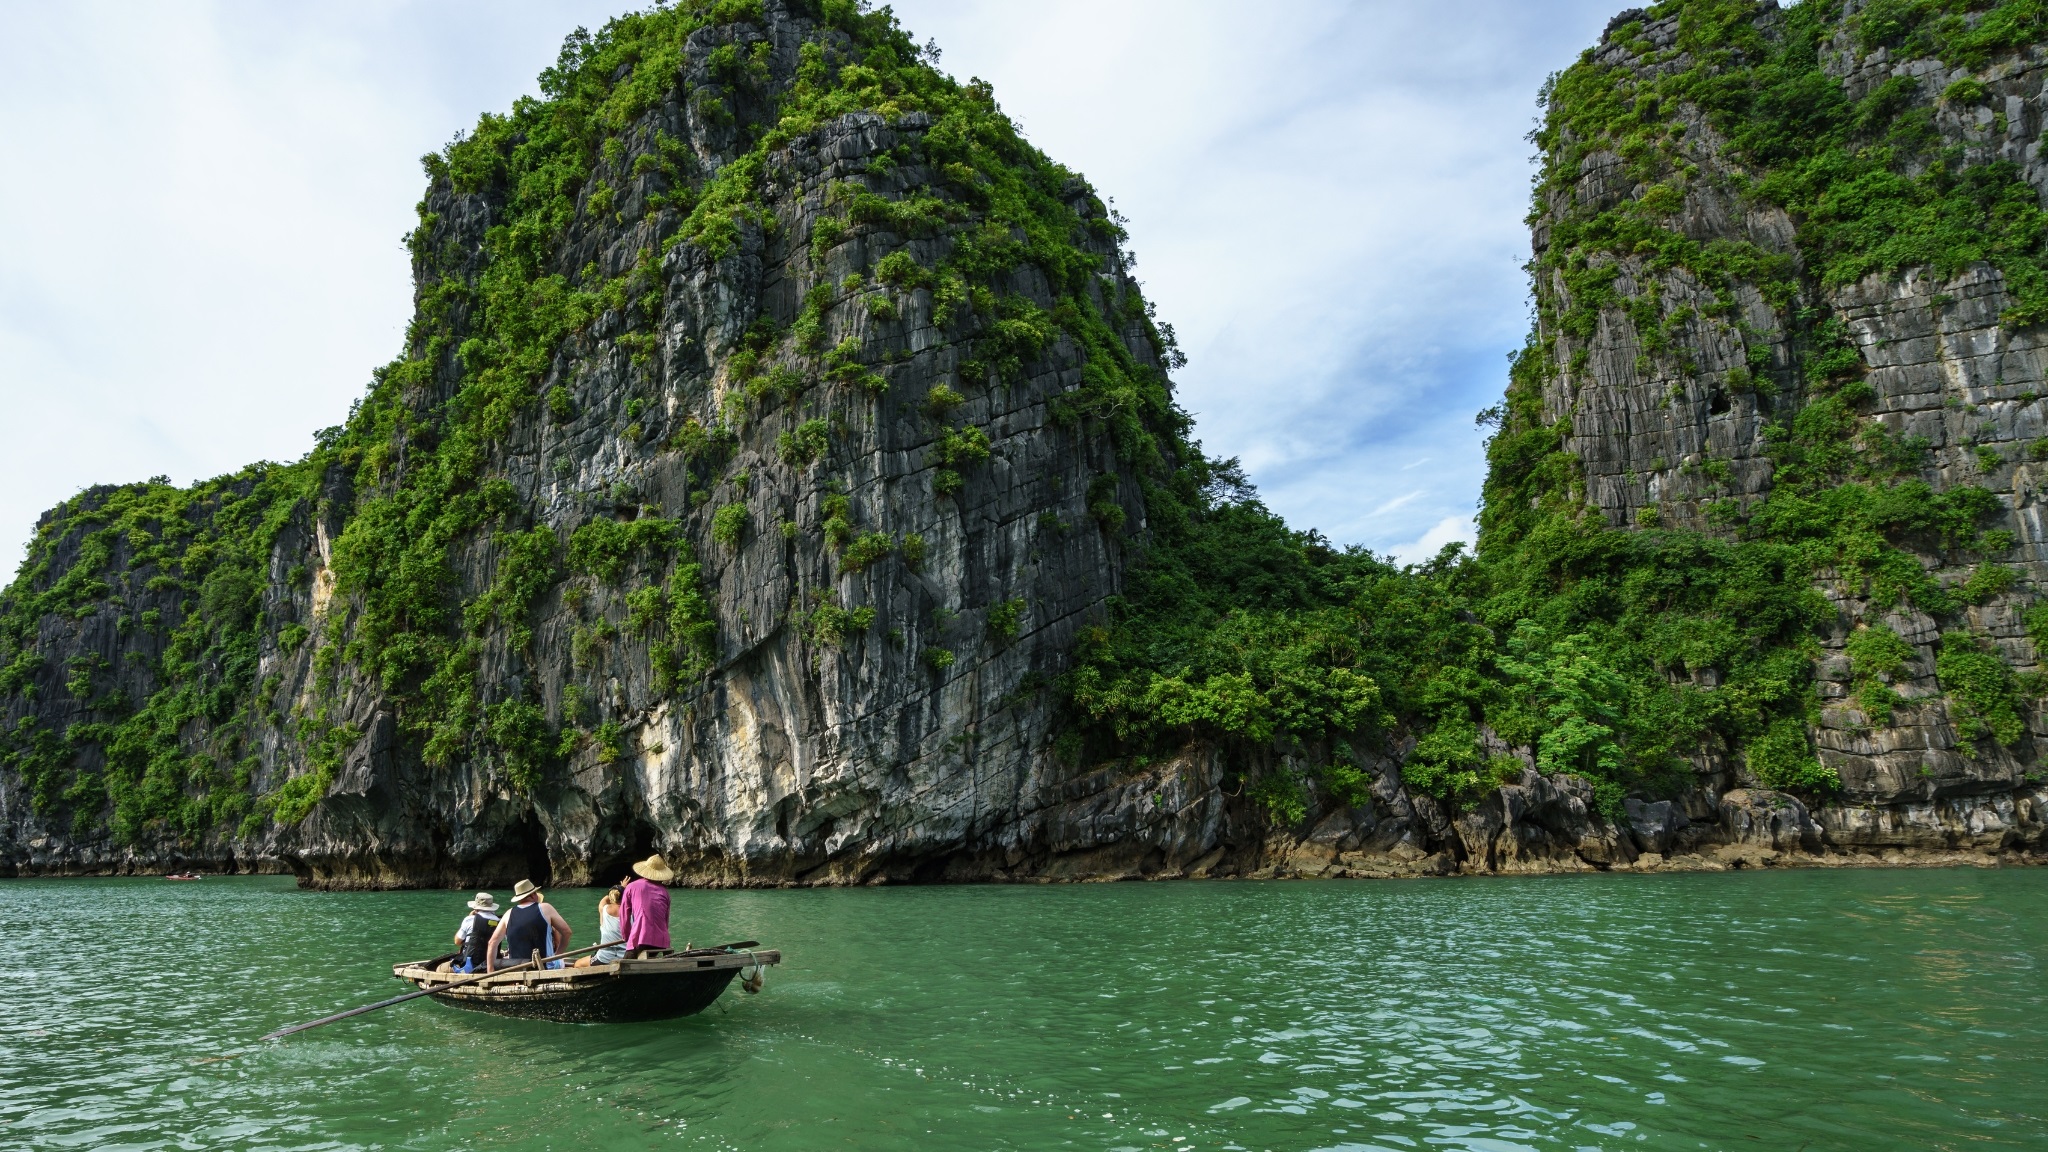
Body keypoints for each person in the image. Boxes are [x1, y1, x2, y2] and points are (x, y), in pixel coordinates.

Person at [487, 878, 572, 971]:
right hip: (545, 967)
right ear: (532, 895)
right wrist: (557, 955)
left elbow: (492, 943)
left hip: (516, 969)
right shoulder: (545, 908)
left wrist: (490, 971)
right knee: (563, 962)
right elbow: (567, 932)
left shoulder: (508, 914)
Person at [618, 853, 674, 956]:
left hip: (640, 937)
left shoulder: (631, 887)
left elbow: (624, 916)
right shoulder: (665, 892)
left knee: (624, 964)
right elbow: (665, 921)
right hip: (662, 941)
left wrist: (626, 936)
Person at [441, 892, 500, 973]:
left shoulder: (469, 919)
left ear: (475, 908)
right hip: (490, 965)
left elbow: (457, 941)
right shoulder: (499, 922)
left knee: (439, 968)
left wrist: (469, 917)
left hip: (469, 966)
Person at [573, 884, 627, 967]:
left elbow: (603, 901)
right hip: (625, 956)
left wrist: (620, 887)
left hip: (605, 957)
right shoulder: (632, 913)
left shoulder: (604, 910)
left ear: (611, 896)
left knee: (577, 964)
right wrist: (623, 889)